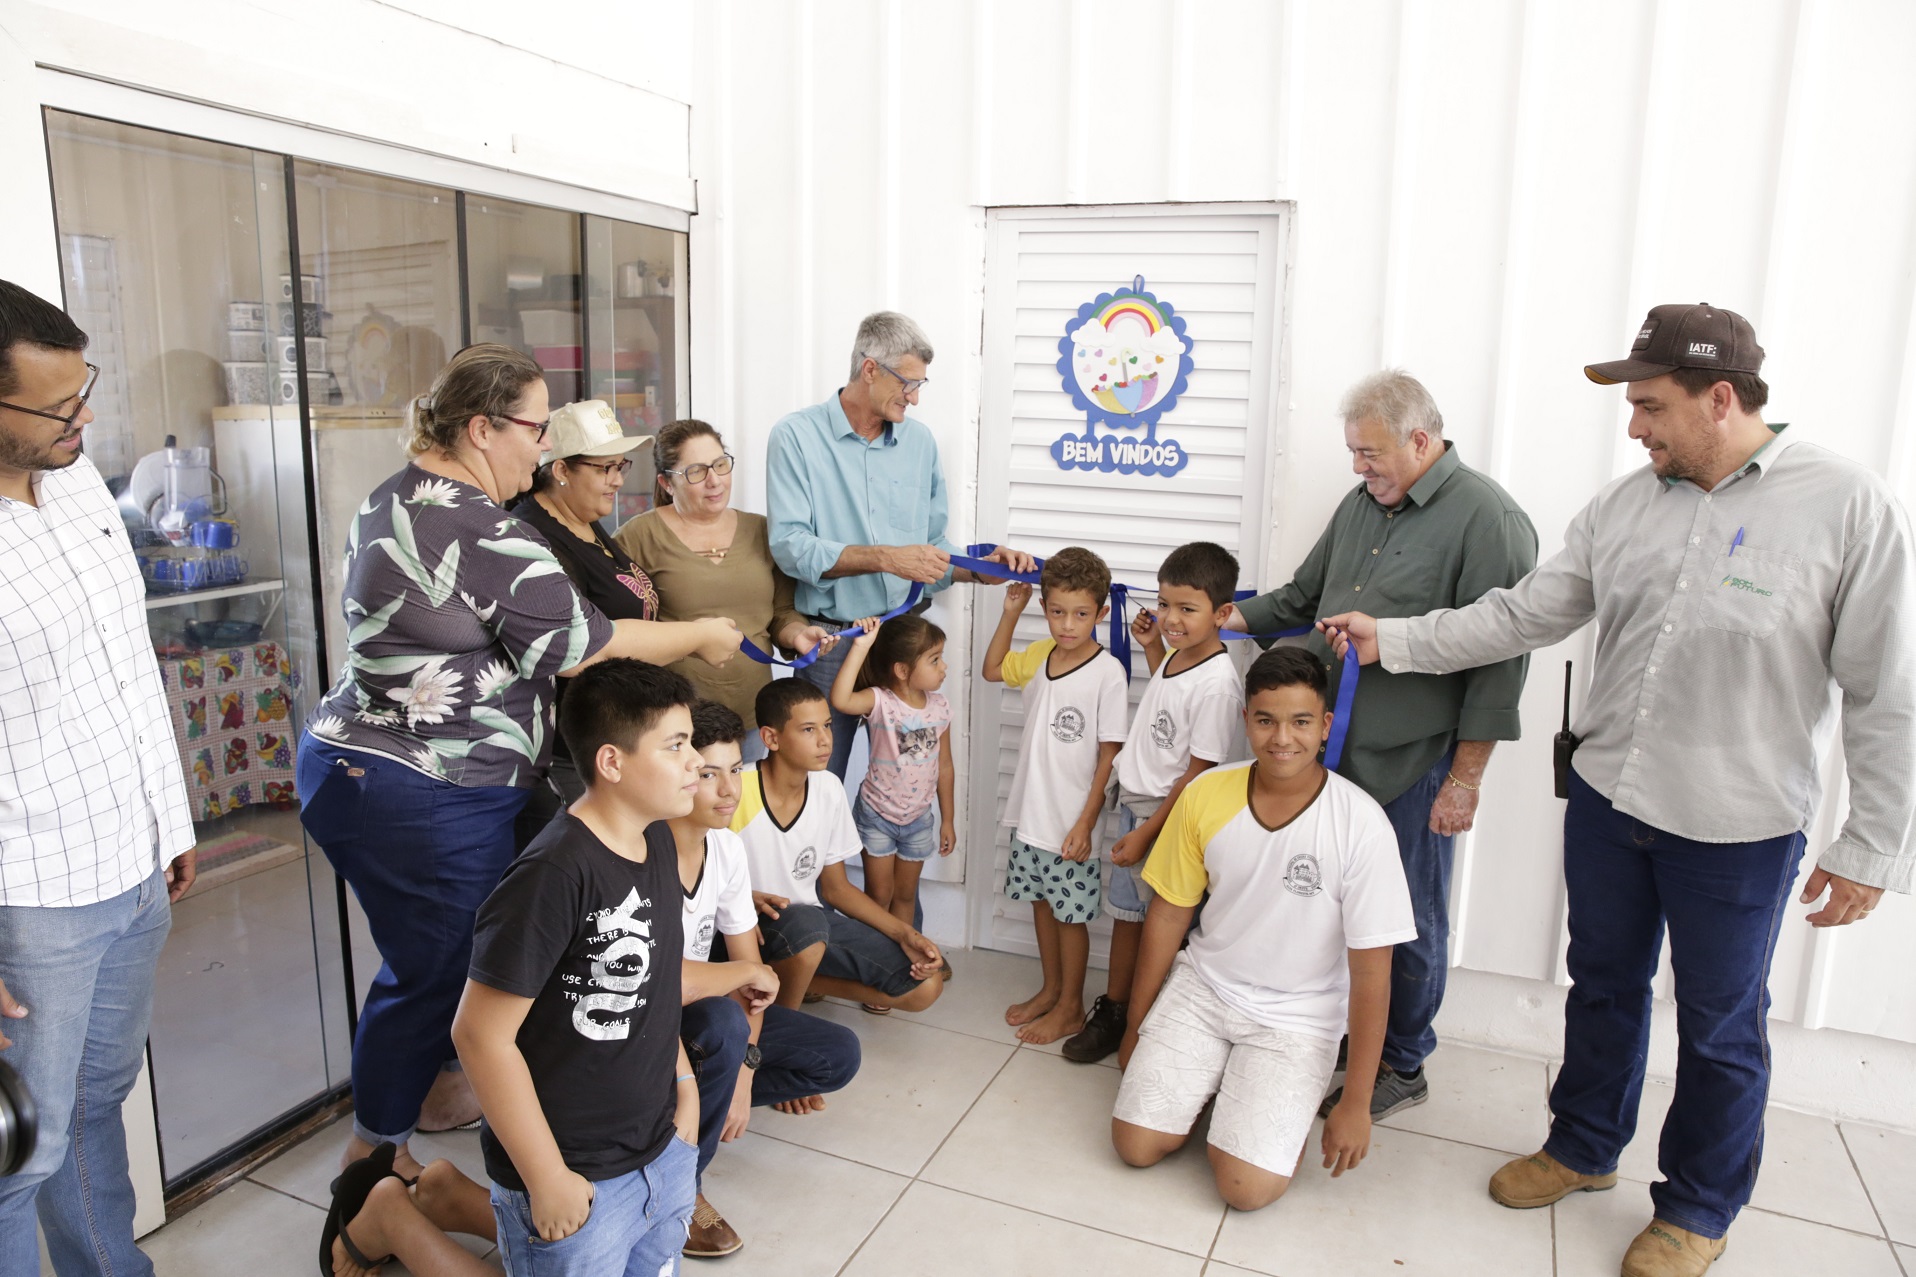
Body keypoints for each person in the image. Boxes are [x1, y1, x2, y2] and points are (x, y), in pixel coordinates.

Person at [1318, 304, 1916, 1277]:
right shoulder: (1623, 504)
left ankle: (1694, 1207)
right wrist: (1398, 638)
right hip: (1606, 798)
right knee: (1599, 985)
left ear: (1717, 398)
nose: (1632, 426)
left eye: (1647, 404)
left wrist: (1872, 843)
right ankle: (1582, 1145)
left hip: (1737, 824)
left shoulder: (1844, 506)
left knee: (1720, 1026)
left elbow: (1885, 687)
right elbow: (1523, 613)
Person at [296, 344, 743, 1182]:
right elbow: (581, 644)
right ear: (479, 428)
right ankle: (372, 1156)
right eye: (536, 431)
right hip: (416, 782)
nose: (541, 451)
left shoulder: (394, 495)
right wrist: (700, 632)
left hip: (374, 768)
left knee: (445, 959)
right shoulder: (475, 523)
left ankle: (435, 1094)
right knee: (439, 970)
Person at [1220, 370, 1536, 1118]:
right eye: (1355, 453)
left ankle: (1403, 1062)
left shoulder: (1489, 518)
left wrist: (1466, 778)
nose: (1359, 468)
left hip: (1415, 762)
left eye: (1371, 453)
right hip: (1333, 755)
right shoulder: (1362, 504)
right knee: (1329, 904)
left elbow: (1501, 663)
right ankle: (1345, 1035)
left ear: (1421, 441)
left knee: (1408, 917)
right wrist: (1214, 621)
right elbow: (1302, 599)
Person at [0, 279, 197, 1276]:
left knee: (92, 1104)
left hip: (128, 857)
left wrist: (171, 820)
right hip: (32, 896)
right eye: (55, 406)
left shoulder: (75, 482)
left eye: (86, 392)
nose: (84, 419)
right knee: (12, 1149)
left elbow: (128, 653)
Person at [1111, 647, 1417, 1211]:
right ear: (1245, 720)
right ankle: (1212, 1080)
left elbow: (1373, 972)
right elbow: (1169, 914)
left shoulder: (1362, 825)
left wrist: (1355, 1101)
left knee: (1246, 1190)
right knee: (1135, 1146)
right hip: (1205, 988)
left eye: (1301, 722)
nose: (1283, 738)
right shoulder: (1206, 793)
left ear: (1325, 727)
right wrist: (1137, 1023)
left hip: (1296, 1019)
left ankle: (1250, 1100)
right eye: (1266, 719)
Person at [452, 659, 710, 1277]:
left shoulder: (657, 841)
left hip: (661, 1150)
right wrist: (547, 1179)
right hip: (575, 1173)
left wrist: (686, 1098)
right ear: (612, 763)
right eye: (675, 745)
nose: (695, 761)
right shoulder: (554, 874)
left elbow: (655, 983)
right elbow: (479, 1035)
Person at [766, 310, 1032, 776]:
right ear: (870, 369)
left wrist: (982, 567)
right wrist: (887, 558)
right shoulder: (795, 438)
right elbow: (790, 546)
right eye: (907, 384)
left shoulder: (920, 443)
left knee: (906, 784)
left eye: (919, 386)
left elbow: (931, 547)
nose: (914, 398)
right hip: (835, 644)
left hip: (904, 642)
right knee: (817, 782)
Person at [670, 700, 861, 1258]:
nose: (729, 789)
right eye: (709, 774)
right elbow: (667, 983)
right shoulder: (645, 850)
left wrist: (747, 1074)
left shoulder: (725, 848)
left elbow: (752, 979)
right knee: (721, 1020)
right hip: (641, 1019)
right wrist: (745, 980)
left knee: (836, 1055)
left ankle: (693, 1113)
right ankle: (682, 1189)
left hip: (700, 1013)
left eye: (735, 769)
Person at [1064, 541, 1246, 1064]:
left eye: (1187, 609)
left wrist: (1147, 832)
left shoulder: (1217, 686)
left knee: (1156, 927)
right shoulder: (1179, 658)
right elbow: (1168, 707)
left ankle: (1141, 1021)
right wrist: (1151, 650)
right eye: (1165, 604)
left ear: (1222, 613)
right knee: (1127, 915)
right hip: (1137, 803)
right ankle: (1118, 1010)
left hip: (1162, 818)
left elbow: (1198, 773)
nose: (1170, 618)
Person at [616, 419, 836, 761]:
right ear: (666, 482)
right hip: (674, 722)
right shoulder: (638, 537)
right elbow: (620, 629)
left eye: (720, 464)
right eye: (696, 471)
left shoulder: (762, 529)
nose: (714, 480)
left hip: (753, 717)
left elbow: (780, 613)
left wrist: (798, 635)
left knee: (740, 809)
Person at [982, 547, 1129, 1045]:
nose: (1068, 625)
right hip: (1031, 812)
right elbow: (992, 668)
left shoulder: (1108, 673)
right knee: (1042, 904)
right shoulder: (1040, 656)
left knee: (1071, 915)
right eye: (1058, 612)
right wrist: (1010, 611)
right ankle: (1050, 991)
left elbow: (1110, 755)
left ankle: (1070, 1007)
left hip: (1071, 819)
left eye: (1082, 614)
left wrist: (1086, 823)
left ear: (1101, 614)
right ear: (1045, 608)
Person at [732, 679, 945, 1014]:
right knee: (806, 927)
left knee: (924, 987)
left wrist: (905, 934)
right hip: (746, 928)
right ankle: (779, 1026)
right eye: (808, 729)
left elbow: (836, 889)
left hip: (808, 931)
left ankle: (786, 982)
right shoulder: (735, 790)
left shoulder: (828, 788)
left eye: (828, 725)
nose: (825, 739)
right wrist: (744, 902)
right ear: (771, 738)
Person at [508, 399, 661, 814]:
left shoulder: (584, 517)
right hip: (572, 750)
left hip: (616, 730)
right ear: (560, 470)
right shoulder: (536, 534)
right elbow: (576, 649)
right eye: (604, 468)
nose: (617, 480)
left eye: (620, 466)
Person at [829, 615, 956, 928]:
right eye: (935, 660)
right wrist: (861, 646)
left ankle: (902, 966)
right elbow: (841, 699)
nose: (944, 667)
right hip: (877, 818)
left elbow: (945, 767)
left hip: (918, 822)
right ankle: (875, 965)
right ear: (902, 670)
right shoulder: (881, 701)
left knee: (904, 895)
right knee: (879, 896)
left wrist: (949, 820)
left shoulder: (940, 708)